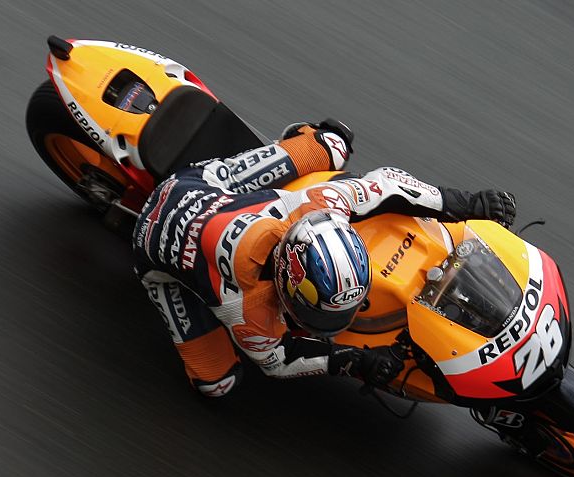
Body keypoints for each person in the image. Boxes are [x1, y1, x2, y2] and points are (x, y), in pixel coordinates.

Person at [133, 120, 517, 397]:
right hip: (162, 232)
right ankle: (166, 280)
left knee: (333, 142)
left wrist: (467, 204)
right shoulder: (243, 305)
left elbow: (387, 183)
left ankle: (296, 143)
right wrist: (351, 361)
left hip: (212, 191)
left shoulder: (324, 208)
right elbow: (278, 362)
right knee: (216, 383)